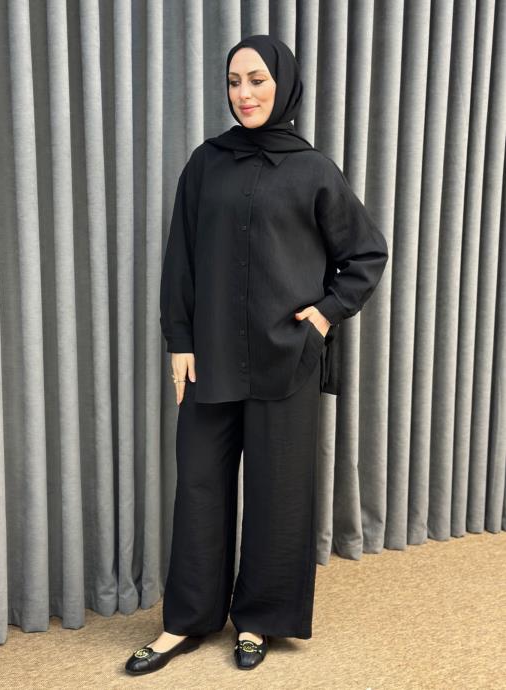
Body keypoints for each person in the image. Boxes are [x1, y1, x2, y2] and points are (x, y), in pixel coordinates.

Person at [125, 34, 388, 676]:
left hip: (286, 358)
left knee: (278, 494)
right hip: (210, 357)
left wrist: (323, 315)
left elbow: (365, 254)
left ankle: (260, 619)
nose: (244, 93)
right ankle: (185, 622)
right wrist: (179, 340)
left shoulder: (314, 169)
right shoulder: (205, 164)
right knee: (199, 487)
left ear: (283, 85)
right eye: (234, 81)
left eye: (257, 80)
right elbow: (181, 259)